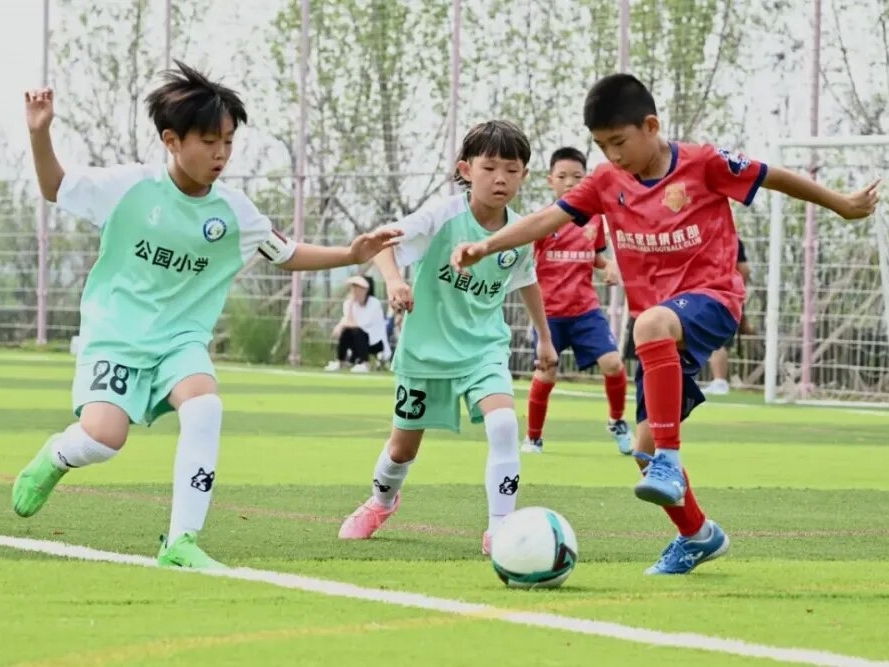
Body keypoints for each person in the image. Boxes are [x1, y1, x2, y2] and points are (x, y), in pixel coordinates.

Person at [450, 73, 878, 574]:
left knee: (650, 332)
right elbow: (547, 219)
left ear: (651, 125)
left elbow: (775, 176)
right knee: (642, 451)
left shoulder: (705, 164)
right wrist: (486, 244)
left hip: (712, 303)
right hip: (662, 337)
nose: (611, 156)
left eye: (619, 142)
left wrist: (844, 205)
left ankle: (672, 461)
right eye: (601, 146)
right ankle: (697, 534)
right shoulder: (607, 182)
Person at [12, 61, 400, 570]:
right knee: (103, 441)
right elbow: (53, 185)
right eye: (208, 141)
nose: (220, 154)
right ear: (172, 141)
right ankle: (57, 456)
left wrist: (352, 255)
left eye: (228, 142)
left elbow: (287, 253)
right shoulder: (131, 188)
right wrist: (40, 134)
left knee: (205, 407)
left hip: (180, 342)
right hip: (116, 336)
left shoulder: (236, 213)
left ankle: (180, 543)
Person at [338, 120, 558, 555]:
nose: (501, 179)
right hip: (426, 351)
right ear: (465, 169)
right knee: (402, 447)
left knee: (501, 423)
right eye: (490, 167)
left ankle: (501, 528)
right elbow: (384, 243)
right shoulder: (442, 216)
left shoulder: (519, 232)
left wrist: (545, 339)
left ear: (524, 175)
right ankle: (381, 502)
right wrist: (396, 282)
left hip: (483, 348)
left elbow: (527, 281)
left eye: (512, 170)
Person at [522, 146, 632, 456]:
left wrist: (608, 265)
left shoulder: (595, 220)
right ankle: (533, 437)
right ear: (550, 181)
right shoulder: (542, 221)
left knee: (613, 363)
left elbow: (595, 256)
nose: (570, 182)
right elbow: (525, 261)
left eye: (578, 176)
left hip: (585, 311)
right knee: (547, 371)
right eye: (562, 176)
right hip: (549, 314)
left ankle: (616, 421)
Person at [702, 238, 751, 395]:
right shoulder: (708, 236)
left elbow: (744, 270)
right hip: (713, 295)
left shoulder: (727, 239)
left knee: (718, 341)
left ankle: (720, 382)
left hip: (721, 295)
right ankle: (718, 381)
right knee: (712, 340)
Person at [325, 274, 391, 373]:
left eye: (358, 288)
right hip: (357, 342)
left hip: (375, 342)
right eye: (353, 287)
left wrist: (342, 325)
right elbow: (347, 321)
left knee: (357, 331)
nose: (354, 291)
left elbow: (361, 325)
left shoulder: (374, 304)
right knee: (346, 332)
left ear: (366, 290)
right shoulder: (348, 303)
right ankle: (340, 361)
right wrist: (350, 306)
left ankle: (365, 363)